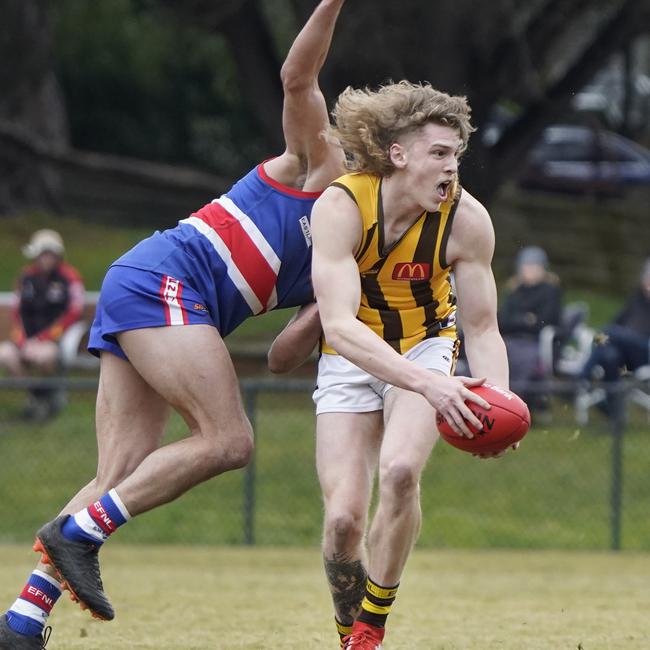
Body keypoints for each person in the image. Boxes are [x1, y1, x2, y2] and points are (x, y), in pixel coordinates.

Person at [0, 2, 347, 648]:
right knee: (229, 440)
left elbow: (278, 357)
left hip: (154, 290)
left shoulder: (351, 256)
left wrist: (338, 309)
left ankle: (22, 620)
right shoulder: (325, 168)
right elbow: (298, 78)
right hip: (167, 282)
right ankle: (78, 534)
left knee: (118, 473)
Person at [270, 81, 512, 648]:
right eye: (439, 154)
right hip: (352, 351)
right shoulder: (343, 204)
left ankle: (371, 627)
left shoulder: (467, 220)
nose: (452, 168)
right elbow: (340, 327)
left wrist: (499, 400)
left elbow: (481, 327)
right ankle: (346, 628)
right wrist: (429, 385)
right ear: (398, 154)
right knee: (342, 524)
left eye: (456, 154)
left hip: (428, 340)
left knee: (402, 472)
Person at [0, 229, 85, 420]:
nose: (46, 259)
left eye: (50, 255)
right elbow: (17, 312)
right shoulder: (26, 277)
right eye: (42, 255)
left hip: (52, 341)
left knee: (43, 356)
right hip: (26, 339)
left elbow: (72, 313)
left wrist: (42, 339)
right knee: (5, 354)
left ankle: (48, 400)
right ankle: (37, 397)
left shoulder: (69, 278)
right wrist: (22, 341)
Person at [579, 257, 650, 414]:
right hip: (624, 354)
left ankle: (584, 374)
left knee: (608, 332)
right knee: (609, 355)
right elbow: (616, 322)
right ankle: (614, 411)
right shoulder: (637, 298)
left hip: (644, 352)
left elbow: (611, 330)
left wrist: (614, 334)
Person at [498, 245, 562, 412]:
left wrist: (524, 321)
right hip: (511, 339)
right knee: (498, 354)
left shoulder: (550, 290)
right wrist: (526, 320)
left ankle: (517, 405)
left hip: (535, 342)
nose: (530, 270)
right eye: (527, 266)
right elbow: (504, 321)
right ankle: (500, 402)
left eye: (535, 266)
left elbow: (546, 320)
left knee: (524, 359)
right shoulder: (514, 291)